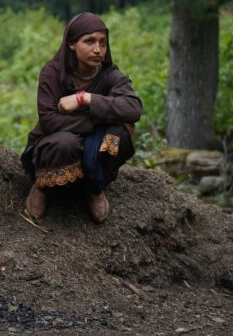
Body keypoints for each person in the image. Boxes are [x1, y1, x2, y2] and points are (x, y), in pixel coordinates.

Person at [20, 12, 142, 224]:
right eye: (89, 41)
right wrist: (98, 120)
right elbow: (49, 121)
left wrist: (86, 99)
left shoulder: (111, 75)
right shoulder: (52, 73)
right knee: (64, 142)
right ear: (71, 44)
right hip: (57, 145)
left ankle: (94, 187)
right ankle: (44, 186)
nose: (98, 49)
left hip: (92, 147)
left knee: (120, 132)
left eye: (103, 43)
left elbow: (133, 108)